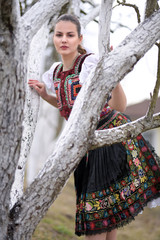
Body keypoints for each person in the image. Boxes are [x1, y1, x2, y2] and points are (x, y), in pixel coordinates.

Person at [28, 14, 160, 240]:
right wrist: (45, 95)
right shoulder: (55, 73)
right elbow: (66, 105)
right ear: (54, 38)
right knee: (107, 214)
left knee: (97, 216)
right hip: (86, 145)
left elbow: (119, 106)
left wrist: (113, 73)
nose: (64, 39)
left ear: (79, 39)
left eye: (70, 35)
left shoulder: (90, 64)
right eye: (59, 34)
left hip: (109, 138)